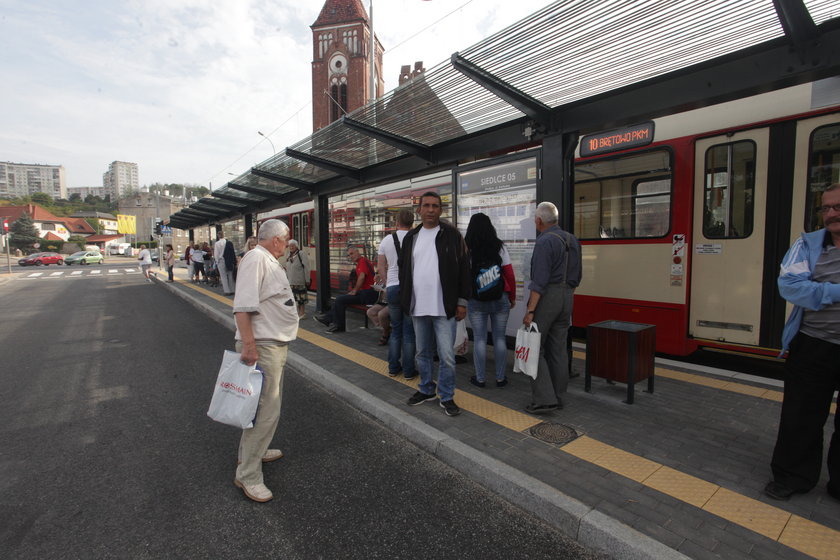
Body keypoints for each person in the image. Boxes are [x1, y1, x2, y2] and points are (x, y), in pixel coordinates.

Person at [765, 183, 840, 502]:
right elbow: (791, 287)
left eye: (837, 206)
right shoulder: (808, 244)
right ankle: (792, 476)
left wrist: (819, 291)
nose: (830, 214)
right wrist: (835, 293)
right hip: (814, 344)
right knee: (801, 415)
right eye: (825, 208)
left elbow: (807, 290)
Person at [231, 219, 299, 503]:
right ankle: (248, 474)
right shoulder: (256, 259)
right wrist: (249, 346)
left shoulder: (265, 259)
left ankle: (255, 451)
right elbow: (242, 307)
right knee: (265, 411)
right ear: (276, 241)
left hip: (273, 344)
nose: (286, 246)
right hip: (262, 345)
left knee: (262, 408)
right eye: (285, 240)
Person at [399, 192, 471, 417]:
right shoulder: (411, 237)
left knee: (447, 355)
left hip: (445, 307)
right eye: (426, 206)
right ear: (419, 209)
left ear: (441, 210)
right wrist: (404, 300)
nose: (430, 209)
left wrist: (462, 301)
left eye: (435, 206)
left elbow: (464, 270)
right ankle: (426, 389)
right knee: (422, 353)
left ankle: (447, 395)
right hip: (418, 306)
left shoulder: (451, 235)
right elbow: (404, 271)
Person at [522, 201, 582, 414]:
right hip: (568, 296)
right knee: (558, 349)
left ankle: (544, 399)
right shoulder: (572, 239)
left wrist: (530, 310)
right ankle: (559, 396)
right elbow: (577, 277)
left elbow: (539, 281)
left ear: (539, 221)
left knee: (534, 346)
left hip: (548, 297)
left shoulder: (544, 242)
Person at [464, 212, 516, 388]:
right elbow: (509, 273)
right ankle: (501, 378)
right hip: (500, 297)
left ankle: (480, 378)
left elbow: (462, 277)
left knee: (479, 339)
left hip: (476, 300)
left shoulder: (467, 248)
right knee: (499, 338)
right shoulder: (499, 246)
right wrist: (512, 297)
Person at [377, 209, 416, 378]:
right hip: (410, 288)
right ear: (412, 222)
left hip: (392, 287)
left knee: (396, 330)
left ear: (396, 222)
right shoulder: (416, 237)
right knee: (409, 332)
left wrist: (387, 284)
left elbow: (380, 267)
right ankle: (408, 371)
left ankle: (393, 368)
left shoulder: (386, 240)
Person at [314, 246, 377, 333]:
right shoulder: (360, 262)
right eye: (348, 255)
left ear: (358, 252)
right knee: (340, 299)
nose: (350, 256)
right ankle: (329, 319)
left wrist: (355, 290)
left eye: (352, 253)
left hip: (368, 294)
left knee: (340, 300)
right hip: (364, 293)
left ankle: (337, 325)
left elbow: (362, 277)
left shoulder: (363, 261)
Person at [284, 239, 311, 318]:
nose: (291, 247)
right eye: (290, 246)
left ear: (296, 246)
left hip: (299, 280)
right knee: (295, 298)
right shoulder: (288, 255)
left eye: (293, 245)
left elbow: (306, 267)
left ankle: (302, 313)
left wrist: (307, 279)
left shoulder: (301, 254)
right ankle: (298, 313)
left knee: (301, 299)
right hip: (291, 281)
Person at [214, 231, 236, 296]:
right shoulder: (229, 242)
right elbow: (232, 253)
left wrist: (217, 261)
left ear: (218, 235)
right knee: (230, 275)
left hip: (221, 261)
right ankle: (232, 290)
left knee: (223, 276)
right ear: (224, 235)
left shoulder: (217, 243)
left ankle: (227, 291)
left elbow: (216, 254)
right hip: (229, 261)